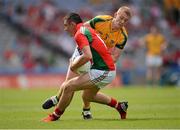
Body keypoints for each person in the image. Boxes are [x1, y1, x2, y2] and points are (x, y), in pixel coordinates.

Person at [42, 6, 132, 119]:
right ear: (115, 15)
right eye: (121, 18)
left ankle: (84, 110)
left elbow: (115, 57)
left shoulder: (123, 36)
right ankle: (58, 98)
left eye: (126, 20)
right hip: (84, 51)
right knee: (70, 83)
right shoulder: (101, 20)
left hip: (99, 60)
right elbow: (83, 29)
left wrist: (100, 55)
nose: (122, 22)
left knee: (86, 94)